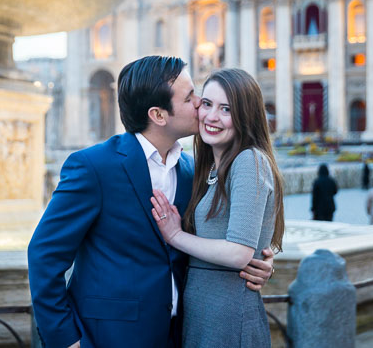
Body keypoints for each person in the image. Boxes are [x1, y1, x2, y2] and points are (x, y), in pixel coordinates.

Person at [27, 57, 273, 348]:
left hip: (182, 334)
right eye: (190, 97)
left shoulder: (192, 170)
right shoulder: (94, 167)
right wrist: (65, 339)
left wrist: (260, 261)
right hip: (109, 337)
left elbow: (224, 235)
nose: (200, 104)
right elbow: (44, 253)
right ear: (158, 114)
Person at [150, 68, 285, 348]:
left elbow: (239, 252)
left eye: (226, 109)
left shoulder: (249, 161)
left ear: (246, 115)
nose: (212, 117)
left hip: (227, 320)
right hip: (203, 317)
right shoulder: (208, 166)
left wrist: (176, 236)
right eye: (207, 104)